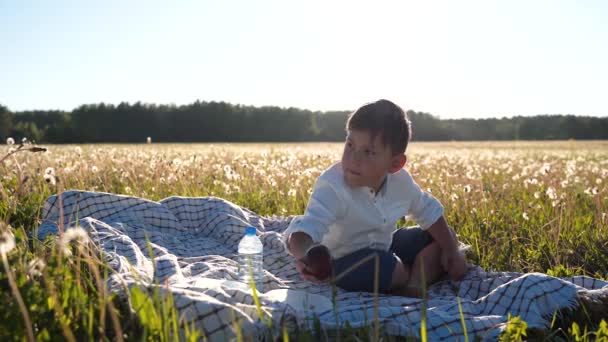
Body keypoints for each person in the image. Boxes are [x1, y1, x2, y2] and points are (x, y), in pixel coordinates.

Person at [282, 99, 467, 297]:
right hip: (339, 262)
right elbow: (304, 231)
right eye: (350, 145)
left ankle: (413, 283)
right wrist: (307, 256)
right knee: (385, 266)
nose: (353, 158)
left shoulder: (401, 182)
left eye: (368, 152)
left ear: (395, 163)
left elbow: (428, 210)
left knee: (445, 236)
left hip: (384, 245)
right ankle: (409, 275)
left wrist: (451, 250)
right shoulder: (332, 186)